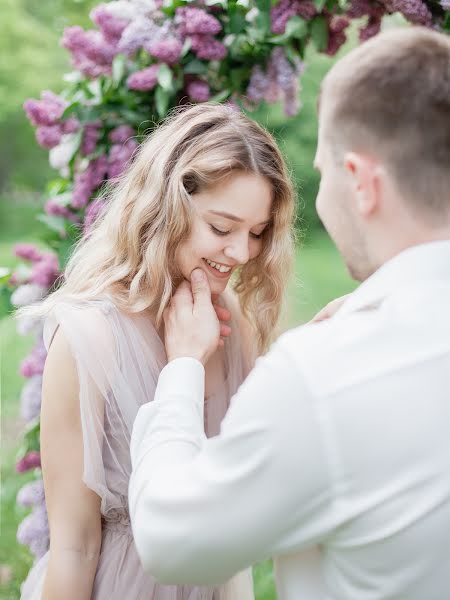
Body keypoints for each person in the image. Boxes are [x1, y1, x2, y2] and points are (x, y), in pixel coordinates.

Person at [129, 27, 450, 600]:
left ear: (360, 182)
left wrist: (181, 373)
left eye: (323, 172)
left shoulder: (325, 376)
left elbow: (170, 540)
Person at [18, 103, 298, 600]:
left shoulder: (236, 328)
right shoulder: (89, 335)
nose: (240, 253)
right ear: (168, 204)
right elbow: (73, 547)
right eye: (221, 227)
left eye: (257, 233)